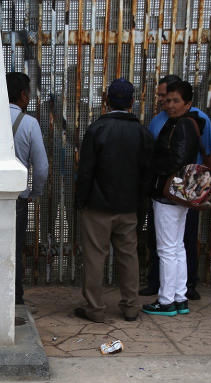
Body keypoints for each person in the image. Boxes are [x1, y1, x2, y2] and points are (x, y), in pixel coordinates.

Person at [74, 78, 154, 322]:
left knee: (95, 257)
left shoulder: (97, 129)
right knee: (129, 256)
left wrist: (81, 201)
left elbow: (86, 171)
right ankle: (131, 307)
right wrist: (141, 206)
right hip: (129, 207)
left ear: (106, 100)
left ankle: (95, 309)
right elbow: (147, 174)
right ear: (132, 102)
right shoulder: (142, 132)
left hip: (98, 207)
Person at [143, 75, 211, 300]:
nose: (167, 103)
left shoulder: (188, 121)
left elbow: (200, 155)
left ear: (186, 102)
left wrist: (207, 189)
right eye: (165, 99)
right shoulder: (163, 120)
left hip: (176, 190)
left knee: (170, 247)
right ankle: (178, 295)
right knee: (175, 246)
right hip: (173, 191)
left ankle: (167, 299)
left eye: (172, 99)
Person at [7, 72, 50, 305]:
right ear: (23, 95)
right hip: (17, 199)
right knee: (14, 248)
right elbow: (41, 167)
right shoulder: (29, 123)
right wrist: (35, 192)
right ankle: (14, 298)